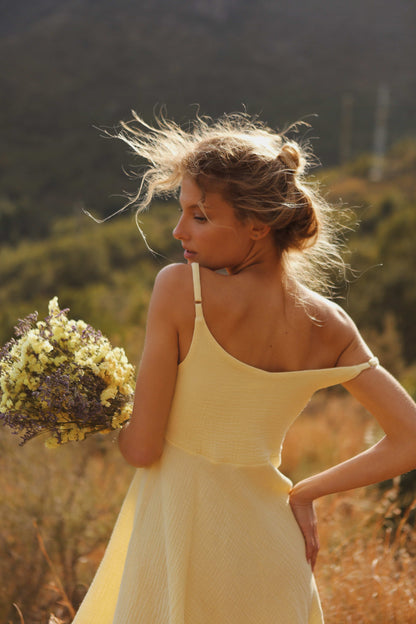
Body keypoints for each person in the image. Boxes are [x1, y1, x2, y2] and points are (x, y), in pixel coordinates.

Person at [72, 112, 416, 624]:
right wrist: (304, 491)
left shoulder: (178, 289)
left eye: (200, 216)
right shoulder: (333, 324)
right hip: (271, 559)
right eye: (183, 211)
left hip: (179, 545)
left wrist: (96, 410)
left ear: (259, 225)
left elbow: (141, 449)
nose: (178, 229)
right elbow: (409, 437)